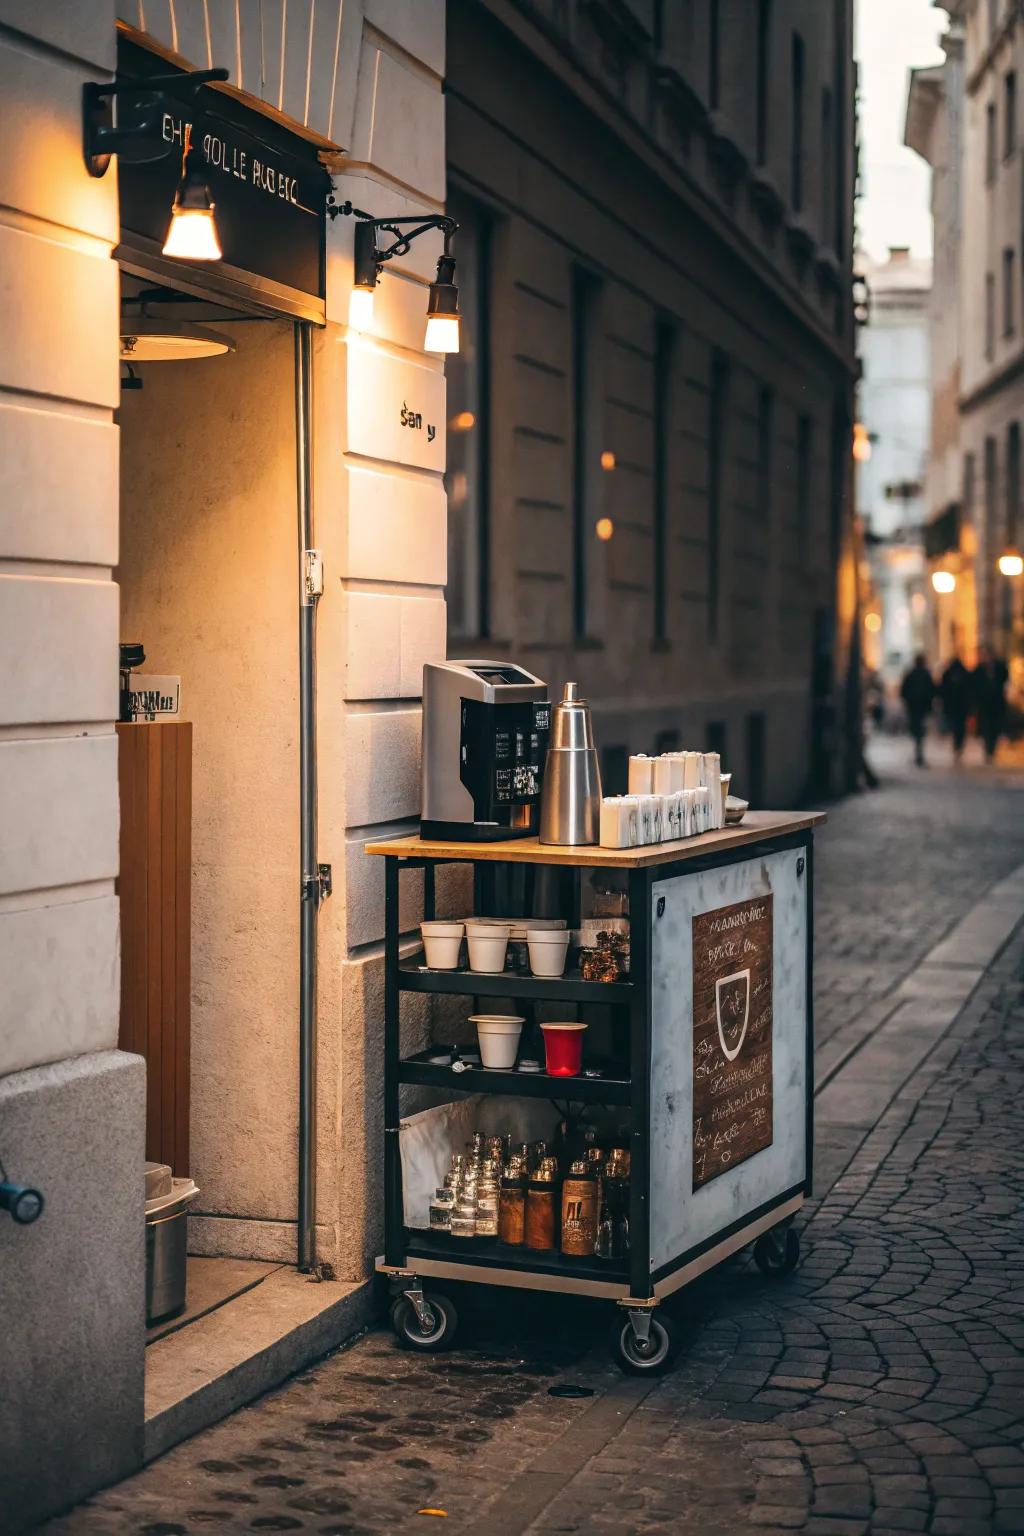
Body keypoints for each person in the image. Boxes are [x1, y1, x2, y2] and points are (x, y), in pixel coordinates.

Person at [973, 643, 1010, 762]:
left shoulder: (999, 666)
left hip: (996, 703)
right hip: (984, 704)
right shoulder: (979, 669)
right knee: (986, 727)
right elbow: (974, 685)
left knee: (994, 727)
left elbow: (1005, 679)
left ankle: (992, 749)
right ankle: (988, 750)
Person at [900, 653, 936, 767]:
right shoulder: (925, 674)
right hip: (921, 707)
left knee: (917, 729)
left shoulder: (911, 674)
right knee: (919, 729)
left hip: (914, 707)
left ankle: (918, 753)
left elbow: (904, 690)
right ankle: (919, 753)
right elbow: (932, 690)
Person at [940, 653, 972, 762]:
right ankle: (958, 745)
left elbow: (943, 690)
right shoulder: (964, 673)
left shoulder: (948, 673)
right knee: (960, 727)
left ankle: (957, 745)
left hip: (954, 707)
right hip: (961, 707)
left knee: (956, 727)